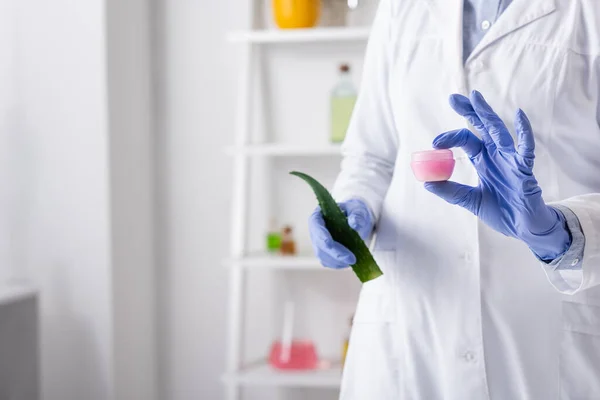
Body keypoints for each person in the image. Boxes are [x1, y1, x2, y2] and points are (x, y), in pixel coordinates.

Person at [308, 1, 600, 399]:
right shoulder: (400, 8)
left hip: (546, 335)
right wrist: (354, 205)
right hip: (411, 323)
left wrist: (563, 232)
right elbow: (371, 154)